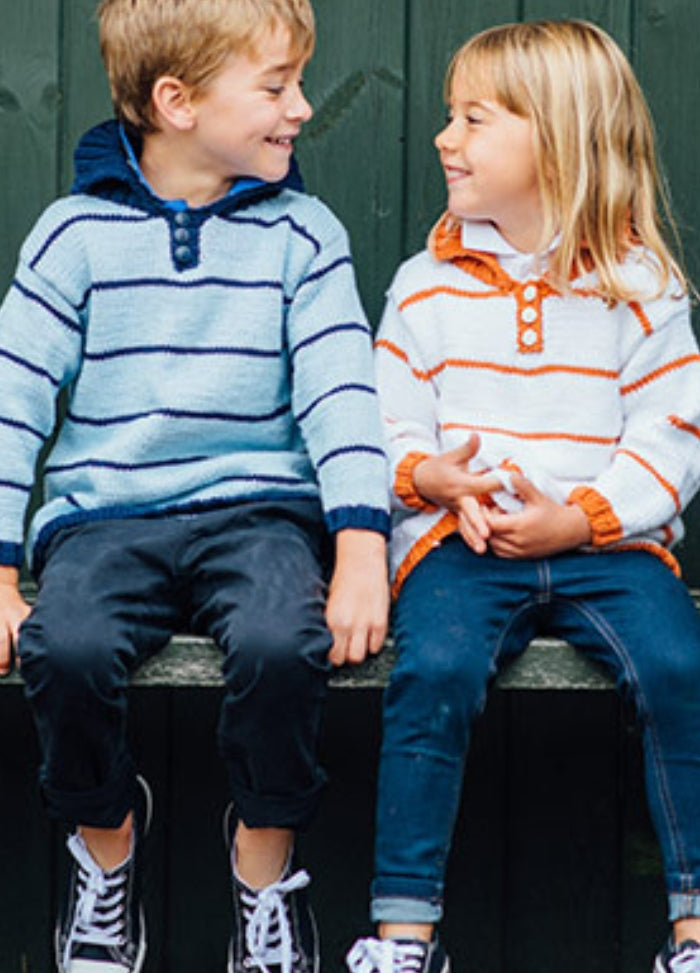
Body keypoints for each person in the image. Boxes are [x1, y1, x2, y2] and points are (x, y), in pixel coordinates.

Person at [0, 0, 391, 970]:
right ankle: (105, 846)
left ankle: (264, 874)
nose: (301, 107)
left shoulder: (304, 235)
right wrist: (0, 571)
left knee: (280, 641)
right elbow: (11, 400)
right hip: (106, 518)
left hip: (259, 514)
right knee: (67, 646)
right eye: (274, 86)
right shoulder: (74, 236)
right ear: (176, 102)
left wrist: (360, 550)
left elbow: (343, 394)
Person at [345, 19, 700, 973]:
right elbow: (387, 420)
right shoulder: (425, 287)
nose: (443, 138)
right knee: (435, 675)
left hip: (610, 548)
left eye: (473, 119)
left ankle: (693, 925)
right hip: (464, 546)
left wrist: (581, 515)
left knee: (679, 668)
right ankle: (404, 932)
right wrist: (431, 479)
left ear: (558, 138)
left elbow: (675, 435)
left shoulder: (644, 289)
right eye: (447, 116)